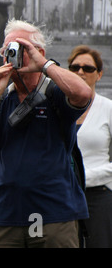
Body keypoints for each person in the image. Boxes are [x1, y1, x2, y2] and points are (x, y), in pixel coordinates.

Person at [0, 19, 92, 248]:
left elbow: (83, 93)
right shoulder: (2, 98)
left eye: (19, 48)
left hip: (54, 216)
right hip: (6, 217)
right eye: (7, 50)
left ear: (39, 52)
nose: (11, 55)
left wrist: (44, 65)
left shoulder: (55, 92)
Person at [68, 45, 112, 248]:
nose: (80, 72)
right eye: (74, 67)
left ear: (99, 74)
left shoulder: (108, 109)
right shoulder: (57, 108)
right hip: (63, 195)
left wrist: (88, 176)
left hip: (98, 196)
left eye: (88, 68)